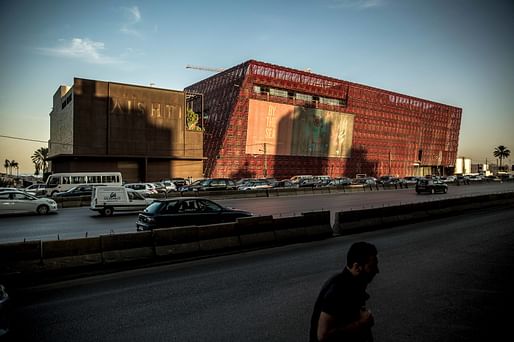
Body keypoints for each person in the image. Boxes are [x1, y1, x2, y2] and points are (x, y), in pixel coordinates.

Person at [310, 241, 379, 342]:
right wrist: (362, 323)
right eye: (372, 267)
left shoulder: (351, 284)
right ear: (356, 267)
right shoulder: (338, 290)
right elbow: (322, 336)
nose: (377, 271)